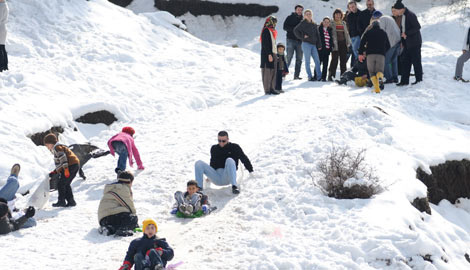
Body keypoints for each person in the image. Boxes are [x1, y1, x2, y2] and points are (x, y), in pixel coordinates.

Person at [44, 133, 80, 207]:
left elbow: (63, 159)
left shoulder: (58, 148)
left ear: (51, 143)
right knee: (66, 184)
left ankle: (61, 201)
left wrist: (66, 169)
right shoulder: (58, 147)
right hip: (74, 165)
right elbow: (60, 163)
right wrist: (55, 171)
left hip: (70, 165)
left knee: (61, 184)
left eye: (47, 145)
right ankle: (71, 201)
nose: (47, 147)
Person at [98, 171, 138, 237]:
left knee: (123, 215)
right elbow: (129, 206)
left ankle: (109, 228)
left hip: (103, 219)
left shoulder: (115, 187)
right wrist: (134, 220)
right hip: (111, 216)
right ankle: (123, 230)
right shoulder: (123, 188)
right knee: (132, 217)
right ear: (130, 181)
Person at [393, 0, 423, 86]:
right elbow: (403, 29)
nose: (395, 12)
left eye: (396, 10)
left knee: (416, 61)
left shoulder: (410, 15)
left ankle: (419, 80)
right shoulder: (402, 15)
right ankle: (404, 81)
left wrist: (407, 34)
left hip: (414, 43)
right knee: (405, 62)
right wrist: (403, 41)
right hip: (407, 43)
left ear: (401, 9)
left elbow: (417, 27)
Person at [359, 20, 390, 93]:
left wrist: (361, 52)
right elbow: (388, 45)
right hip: (380, 55)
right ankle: (379, 77)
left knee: (371, 72)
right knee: (380, 71)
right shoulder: (383, 33)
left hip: (370, 54)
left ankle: (377, 89)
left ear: (372, 26)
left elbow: (362, 42)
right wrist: (383, 51)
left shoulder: (368, 32)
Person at [294, 9, 322, 81]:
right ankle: (310, 76)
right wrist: (302, 37)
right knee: (307, 61)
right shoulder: (302, 23)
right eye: (307, 14)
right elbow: (295, 30)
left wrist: (319, 45)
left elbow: (317, 35)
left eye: (310, 14)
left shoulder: (314, 24)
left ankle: (319, 77)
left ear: (311, 15)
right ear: (304, 16)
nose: (308, 15)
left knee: (317, 61)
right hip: (306, 44)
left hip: (314, 45)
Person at [373, 11, 401, 84]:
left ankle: (389, 78)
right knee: (394, 60)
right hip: (398, 40)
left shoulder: (381, 20)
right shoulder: (389, 17)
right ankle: (395, 77)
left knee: (385, 61)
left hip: (391, 42)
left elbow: (382, 32)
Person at [328, 9, 352, 81]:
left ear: (341, 15)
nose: (338, 16)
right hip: (335, 44)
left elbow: (346, 34)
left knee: (343, 61)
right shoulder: (331, 23)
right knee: (334, 60)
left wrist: (348, 42)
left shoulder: (343, 23)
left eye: (339, 14)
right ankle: (331, 76)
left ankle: (343, 76)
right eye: (336, 14)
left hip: (343, 43)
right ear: (334, 15)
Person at [283, 4, 304, 80]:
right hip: (290, 40)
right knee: (289, 57)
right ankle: (283, 74)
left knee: (299, 59)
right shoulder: (290, 17)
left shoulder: (303, 19)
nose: (299, 11)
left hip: (300, 41)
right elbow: (284, 27)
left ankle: (296, 75)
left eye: (301, 10)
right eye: (298, 9)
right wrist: (295, 29)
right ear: (295, 10)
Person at [260, 15, 280, 95]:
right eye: (273, 21)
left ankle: (272, 88)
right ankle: (267, 90)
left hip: (274, 53)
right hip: (267, 54)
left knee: (273, 71)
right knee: (267, 72)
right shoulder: (266, 30)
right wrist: (269, 54)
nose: (274, 23)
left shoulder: (272, 31)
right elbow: (265, 44)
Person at [345, 1, 361, 68]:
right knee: (352, 51)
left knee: (355, 49)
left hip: (358, 35)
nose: (352, 8)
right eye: (351, 7)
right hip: (351, 36)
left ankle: (359, 62)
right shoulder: (349, 15)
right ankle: (354, 66)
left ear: (356, 5)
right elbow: (349, 27)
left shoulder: (361, 13)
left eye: (353, 6)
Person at [317, 17, 333, 81]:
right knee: (318, 63)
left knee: (325, 64)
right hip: (320, 48)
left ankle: (324, 77)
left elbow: (330, 39)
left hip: (327, 49)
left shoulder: (330, 30)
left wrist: (331, 47)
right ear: (322, 22)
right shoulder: (319, 29)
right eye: (325, 22)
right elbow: (317, 39)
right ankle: (317, 76)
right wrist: (318, 46)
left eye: (327, 22)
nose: (326, 23)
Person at [0, 0, 8, 72]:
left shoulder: (1, 6)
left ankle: (1, 67)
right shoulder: (4, 4)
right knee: (2, 48)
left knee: (0, 49)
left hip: (0, 29)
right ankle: (4, 66)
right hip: (3, 29)